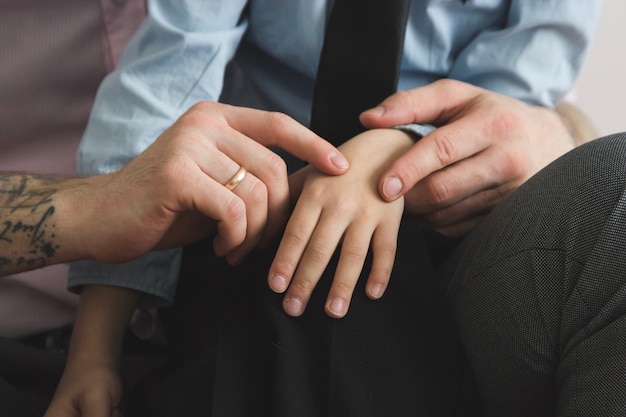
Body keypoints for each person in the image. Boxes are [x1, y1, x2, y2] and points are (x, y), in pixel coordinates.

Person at [46, 1, 603, 416]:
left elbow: (516, 95)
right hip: (245, 220)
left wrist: (402, 147)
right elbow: (161, 86)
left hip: (436, 208)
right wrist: (94, 349)